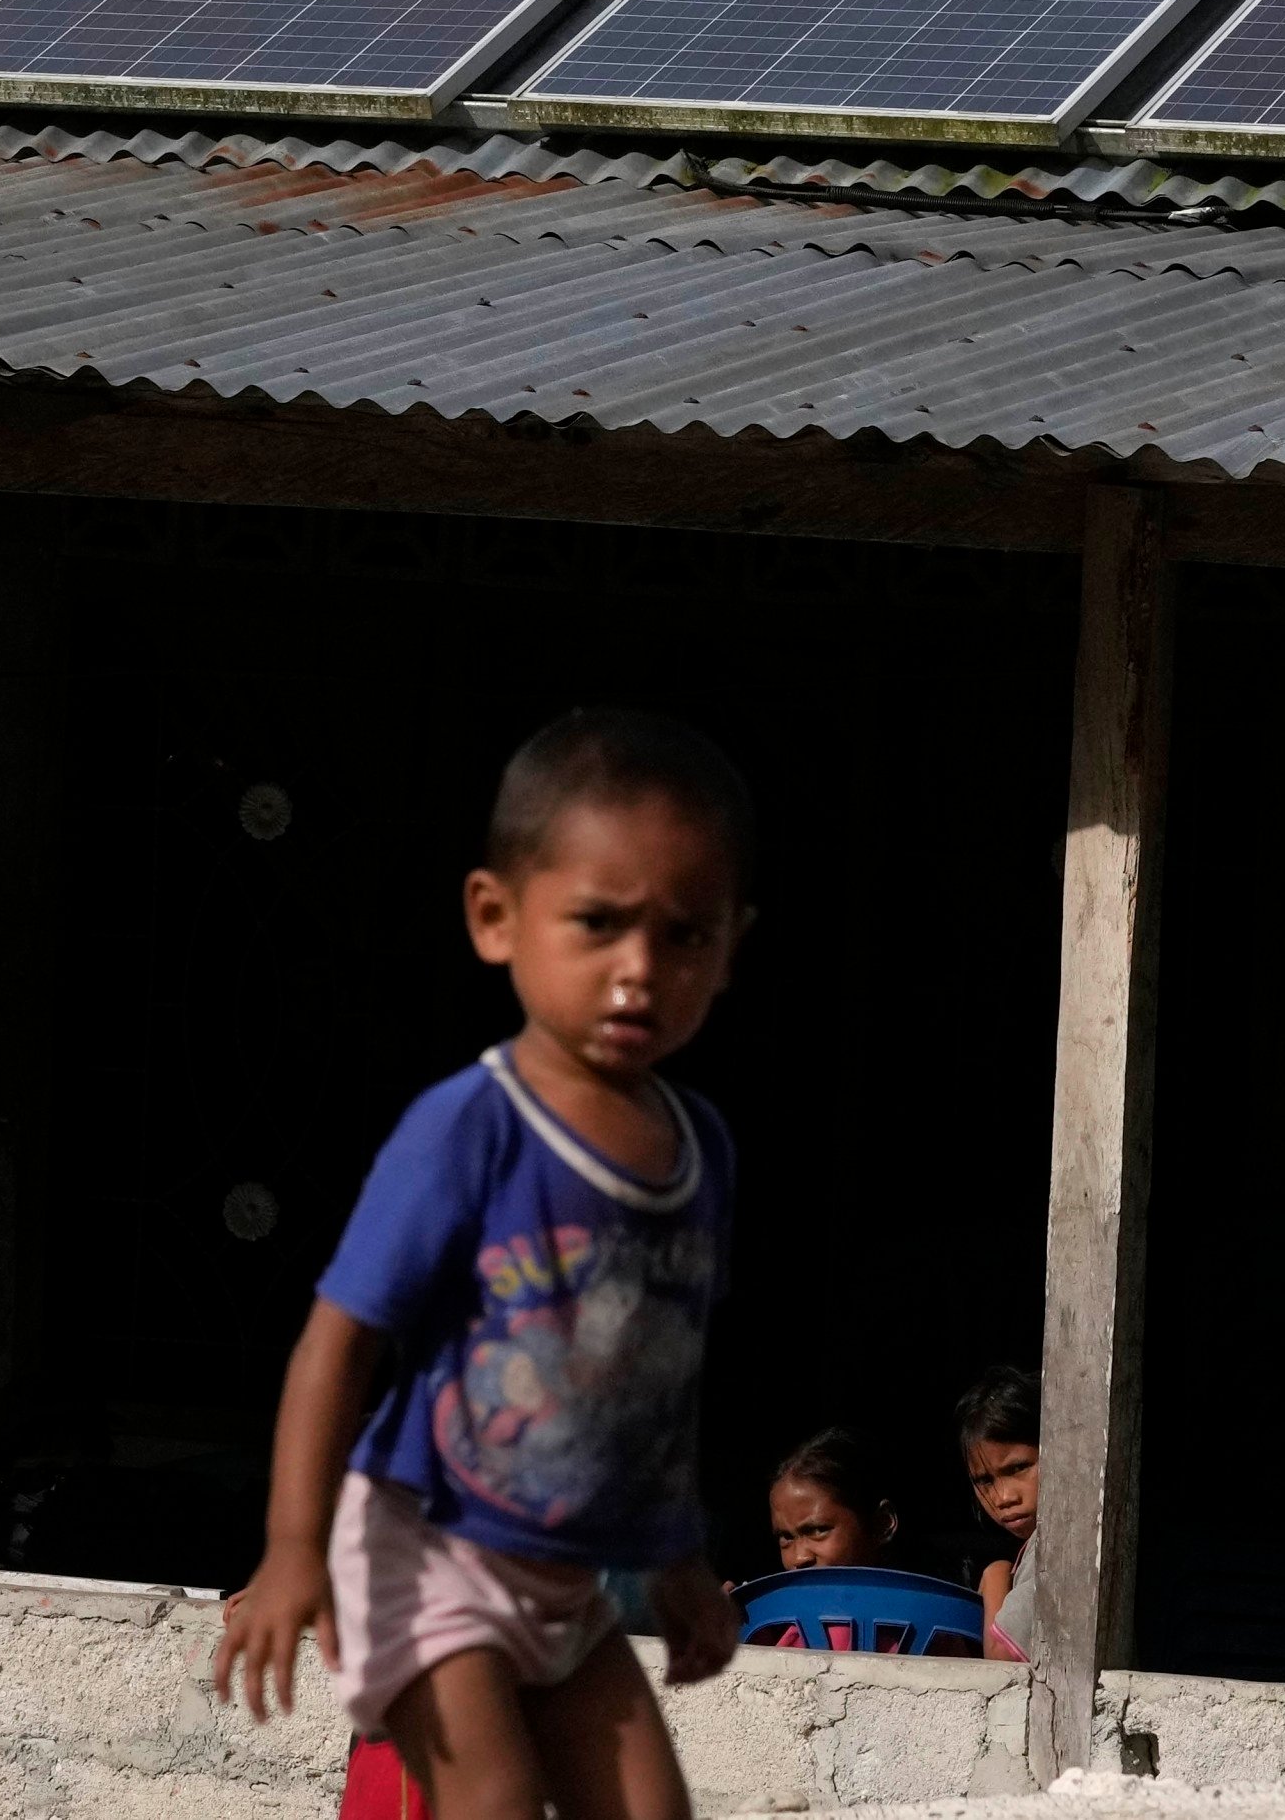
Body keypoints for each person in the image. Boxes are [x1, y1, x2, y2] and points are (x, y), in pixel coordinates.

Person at [209, 709, 754, 1820]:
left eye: (684, 935)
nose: (637, 971)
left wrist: (680, 1560)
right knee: (491, 1808)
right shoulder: (472, 1128)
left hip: (572, 1583)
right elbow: (337, 1341)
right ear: (496, 919)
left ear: (731, 946)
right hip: (423, 1551)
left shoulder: (700, 1154)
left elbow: (654, 1389)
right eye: (597, 925)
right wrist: (290, 1550)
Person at [954, 1366, 1039, 1658]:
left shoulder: (1056, 1546)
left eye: (1019, 1468)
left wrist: (996, 1577)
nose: (1004, 1497)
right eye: (984, 1481)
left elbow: (1002, 1659)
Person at [766, 1428, 911, 1573]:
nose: (799, 1558)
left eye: (818, 1530)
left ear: (882, 1524)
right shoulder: (773, 1596)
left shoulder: (925, 1595)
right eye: (786, 1537)